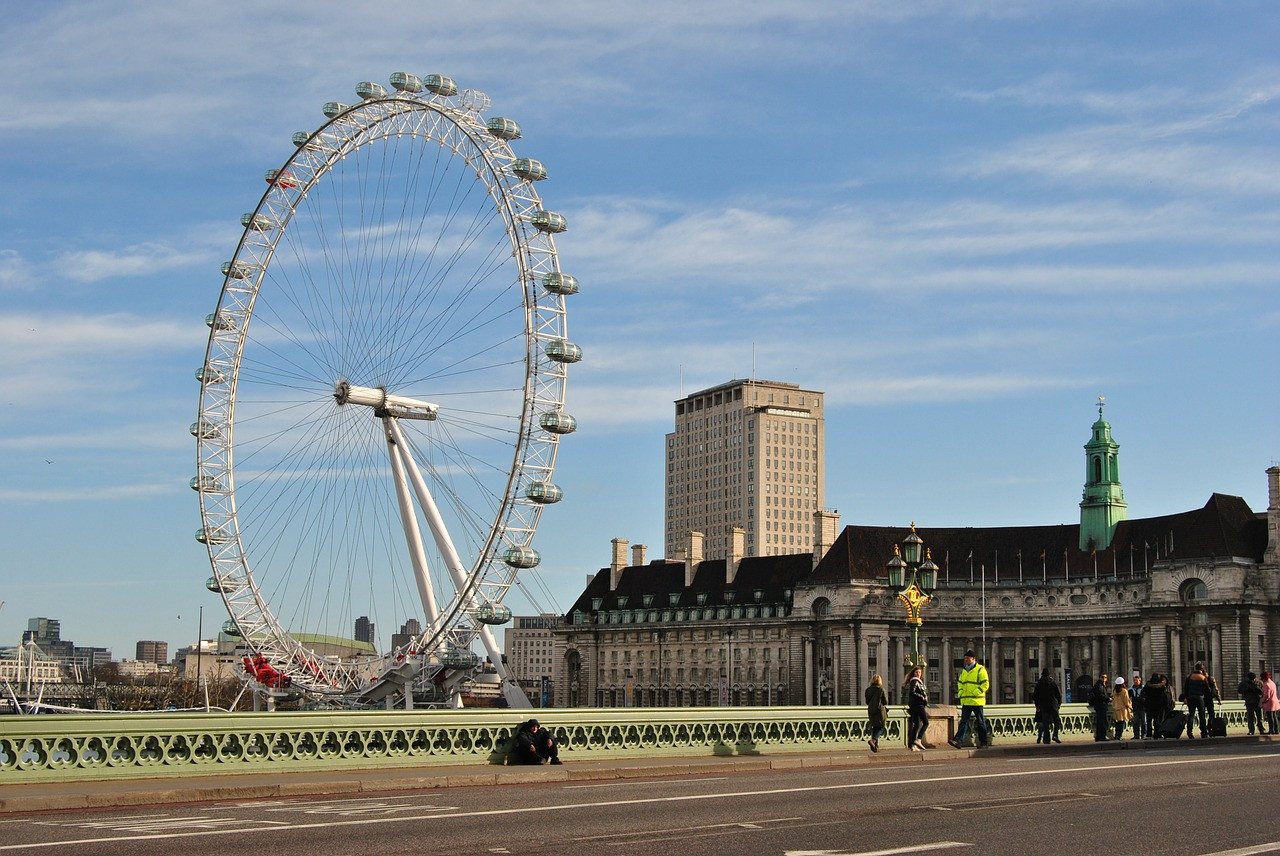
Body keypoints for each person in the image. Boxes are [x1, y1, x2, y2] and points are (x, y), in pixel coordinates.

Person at [947, 650, 991, 749]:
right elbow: (960, 683)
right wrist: (961, 693)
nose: (966, 660)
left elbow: (985, 684)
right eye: (965, 658)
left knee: (980, 722)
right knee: (964, 721)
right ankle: (958, 740)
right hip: (966, 701)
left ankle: (984, 742)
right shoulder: (964, 670)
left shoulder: (980, 669)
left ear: (973, 659)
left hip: (977, 701)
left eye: (968, 658)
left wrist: (975, 692)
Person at [1031, 668, 1062, 744]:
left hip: (1043, 706)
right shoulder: (1052, 682)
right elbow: (1058, 695)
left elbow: (1034, 696)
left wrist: (1037, 705)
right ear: (1049, 674)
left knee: (1045, 723)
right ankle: (1055, 735)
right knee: (1057, 721)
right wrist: (1059, 704)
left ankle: (1046, 740)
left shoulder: (1039, 683)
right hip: (1053, 705)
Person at [1183, 663, 1212, 739]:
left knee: (1191, 715)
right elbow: (1208, 690)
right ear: (1202, 669)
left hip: (1191, 698)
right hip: (1200, 698)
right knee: (1202, 716)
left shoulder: (1189, 676)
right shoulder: (1203, 677)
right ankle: (1203, 732)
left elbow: (1186, 688)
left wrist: (1186, 697)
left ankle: (1189, 732)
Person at [905, 666, 930, 751]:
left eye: (919, 672)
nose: (918, 674)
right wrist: (922, 697)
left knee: (916, 724)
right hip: (918, 705)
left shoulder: (917, 682)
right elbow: (912, 692)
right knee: (926, 722)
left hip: (914, 705)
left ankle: (913, 745)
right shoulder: (915, 681)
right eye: (916, 672)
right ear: (913, 673)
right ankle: (919, 739)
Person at [864, 674, 889, 753]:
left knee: (875, 727)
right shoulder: (881, 689)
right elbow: (885, 702)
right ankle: (873, 740)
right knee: (881, 727)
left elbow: (867, 702)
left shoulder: (867, 690)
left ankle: (875, 747)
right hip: (880, 711)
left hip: (871, 710)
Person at [1145, 673, 1171, 738]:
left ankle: (1149, 733)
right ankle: (1157, 733)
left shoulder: (1148, 684)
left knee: (1149, 720)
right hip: (1158, 705)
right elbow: (1165, 696)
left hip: (1149, 704)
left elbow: (1144, 693)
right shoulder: (1162, 686)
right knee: (1157, 720)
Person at [1088, 672, 1112, 741]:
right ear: (1099, 678)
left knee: (1101, 722)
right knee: (1102, 722)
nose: (1104, 678)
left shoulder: (1101, 685)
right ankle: (1101, 737)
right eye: (1102, 677)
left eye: (1105, 677)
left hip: (1101, 706)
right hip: (1100, 706)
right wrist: (1108, 699)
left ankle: (1099, 736)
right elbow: (1100, 696)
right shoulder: (1099, 685)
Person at [1129, 674, 1148, 739]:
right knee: (1135, 722)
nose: (1135, 682)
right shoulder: (1131, 689)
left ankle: (1144, 734)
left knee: (1144, 722)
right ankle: (1136, 735)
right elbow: (1128, 697)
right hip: (1135, 707)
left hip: (1143, 707)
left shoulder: (1143, 688)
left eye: (1137, 681)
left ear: (1140, 681)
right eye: (1134, 681)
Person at [1261, 671, 1279, 735]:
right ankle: (1276, 730)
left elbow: (1266, 696)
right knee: (1274, 716)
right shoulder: (1272, 683)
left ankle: (1271, 730)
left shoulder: (1266, 684)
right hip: (1275, 701)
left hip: (1269, 703)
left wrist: (1262, 701)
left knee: (1270, 717)